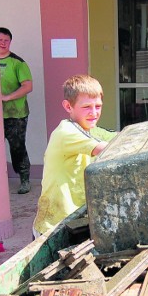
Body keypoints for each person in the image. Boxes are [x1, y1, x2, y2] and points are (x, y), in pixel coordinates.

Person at [33, 75, 115, 237]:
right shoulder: (66, 132)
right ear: (68, 106)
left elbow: (120, 137)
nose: (94, 113)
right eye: (86, 107)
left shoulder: (91, 130)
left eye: (98, 106)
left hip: (74, 219)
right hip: (52, 226)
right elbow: (108, 148)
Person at [0, 27, 34, 194]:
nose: (3, 43)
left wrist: (7, 97)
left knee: (17, 147)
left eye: (6, 40)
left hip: (16, 114)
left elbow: (28, 86)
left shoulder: (18, 63)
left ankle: (25, 180)